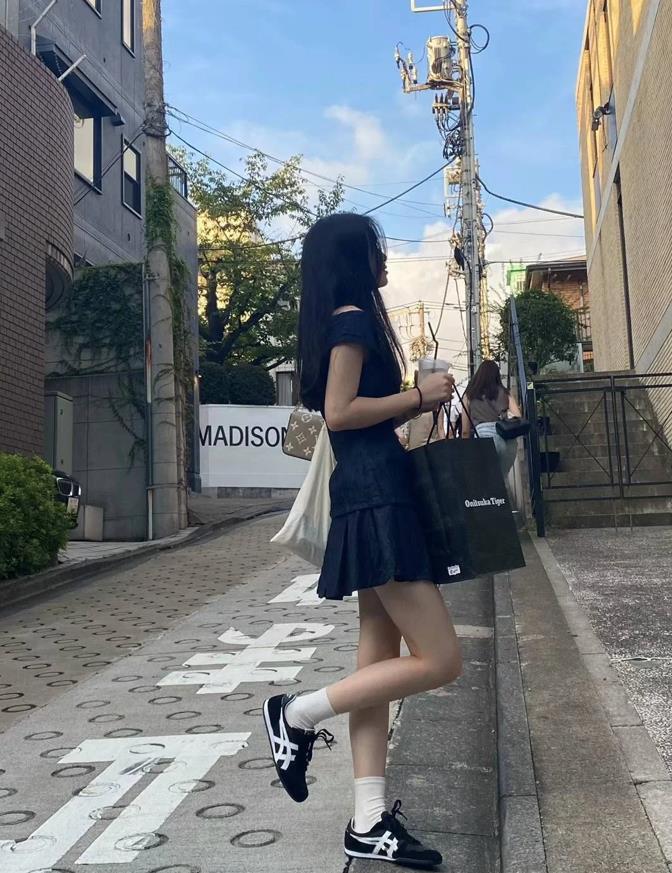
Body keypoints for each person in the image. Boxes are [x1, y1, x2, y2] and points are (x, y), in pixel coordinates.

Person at [262, 213, 462, 869]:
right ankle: (296, 713)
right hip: (378, 498)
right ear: (355, 258)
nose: (385, 259)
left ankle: (369, 821)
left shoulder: (338, 319)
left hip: (373, 490)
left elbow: (348, 416)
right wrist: (416, 396)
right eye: (377, 249)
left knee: (378, 658)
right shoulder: (351, 320)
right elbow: (340, 413)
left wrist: (417, 403)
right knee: (442, 659)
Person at [461, 359, 522, 477]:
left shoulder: (469, 395)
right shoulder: (505, 393)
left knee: (487, 480)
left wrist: (466, 451)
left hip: (485, 439)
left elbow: (465, 431)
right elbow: (518, 416)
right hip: (507, 439)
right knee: (502, 478)